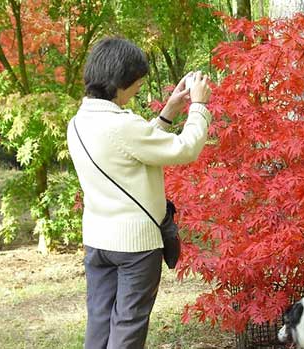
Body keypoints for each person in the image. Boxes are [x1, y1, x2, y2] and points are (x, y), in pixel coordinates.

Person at [66, 37, 212, 349]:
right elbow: (185, 149)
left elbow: (132, 147)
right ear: (119, 82)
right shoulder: (122, 124)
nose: (137, 89)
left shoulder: (78, 122)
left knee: (100, 323)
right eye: (136, 83)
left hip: (97, 241)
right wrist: (199, 106)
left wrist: (171, 108)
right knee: (128, 326)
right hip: (135, 246)